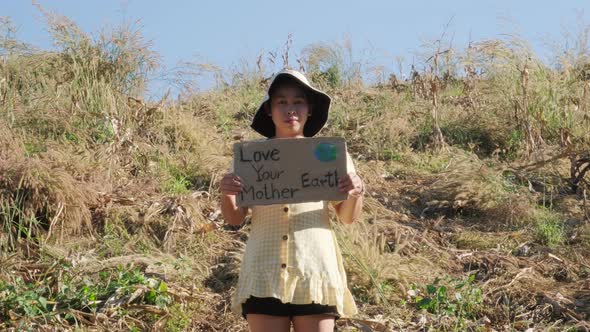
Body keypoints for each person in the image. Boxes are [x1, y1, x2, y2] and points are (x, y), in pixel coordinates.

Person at [219, 69, 364, 332]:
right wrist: (226, 193)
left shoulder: (329, 154)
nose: (290, 109)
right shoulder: (251, 158)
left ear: (309, 109)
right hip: (265, 271)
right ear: (269, 110)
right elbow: (235, 219)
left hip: (314, 269)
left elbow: (347, 217)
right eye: (281, 102)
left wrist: (355, 192)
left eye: (298, 101)